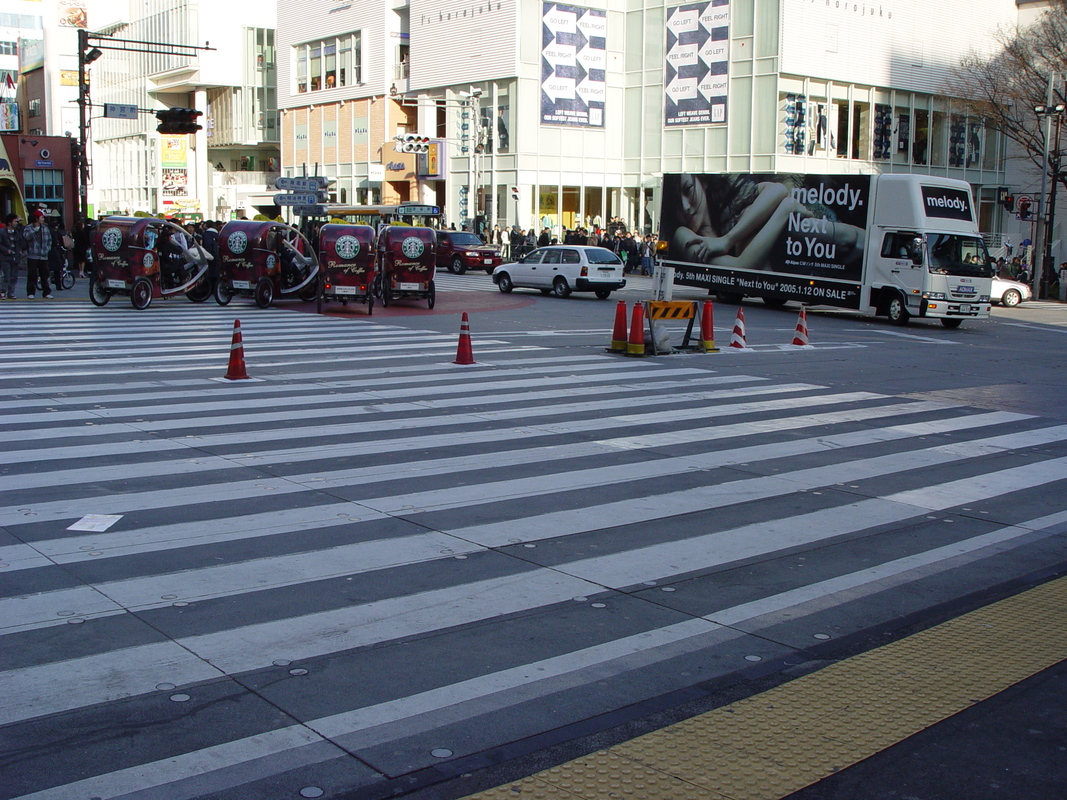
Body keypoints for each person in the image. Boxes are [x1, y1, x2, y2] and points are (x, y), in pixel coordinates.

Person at [667, 173, 864, 271]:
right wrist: (784, 210)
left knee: (849, 238)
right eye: (675, 203)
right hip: (801, 261)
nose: (685, 206)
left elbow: (778, 190)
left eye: (688, 189)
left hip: (837, 244)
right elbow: (743, 267)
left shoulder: (732, 204)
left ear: (703, 182)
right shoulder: (682, 235)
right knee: (847, 239)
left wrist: (727, 239)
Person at [22, 210, 53, 299]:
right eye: (41, 217)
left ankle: (46, 292)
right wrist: (34, 230)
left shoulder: (45, 228)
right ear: (36, 218)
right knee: (32, 274)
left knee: (45, 275)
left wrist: (47, 249)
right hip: (33, 255)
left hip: (44, 255)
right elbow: (26, 237)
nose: (43, 219)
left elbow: (49, 240)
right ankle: (31, 292)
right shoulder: (29, 227)